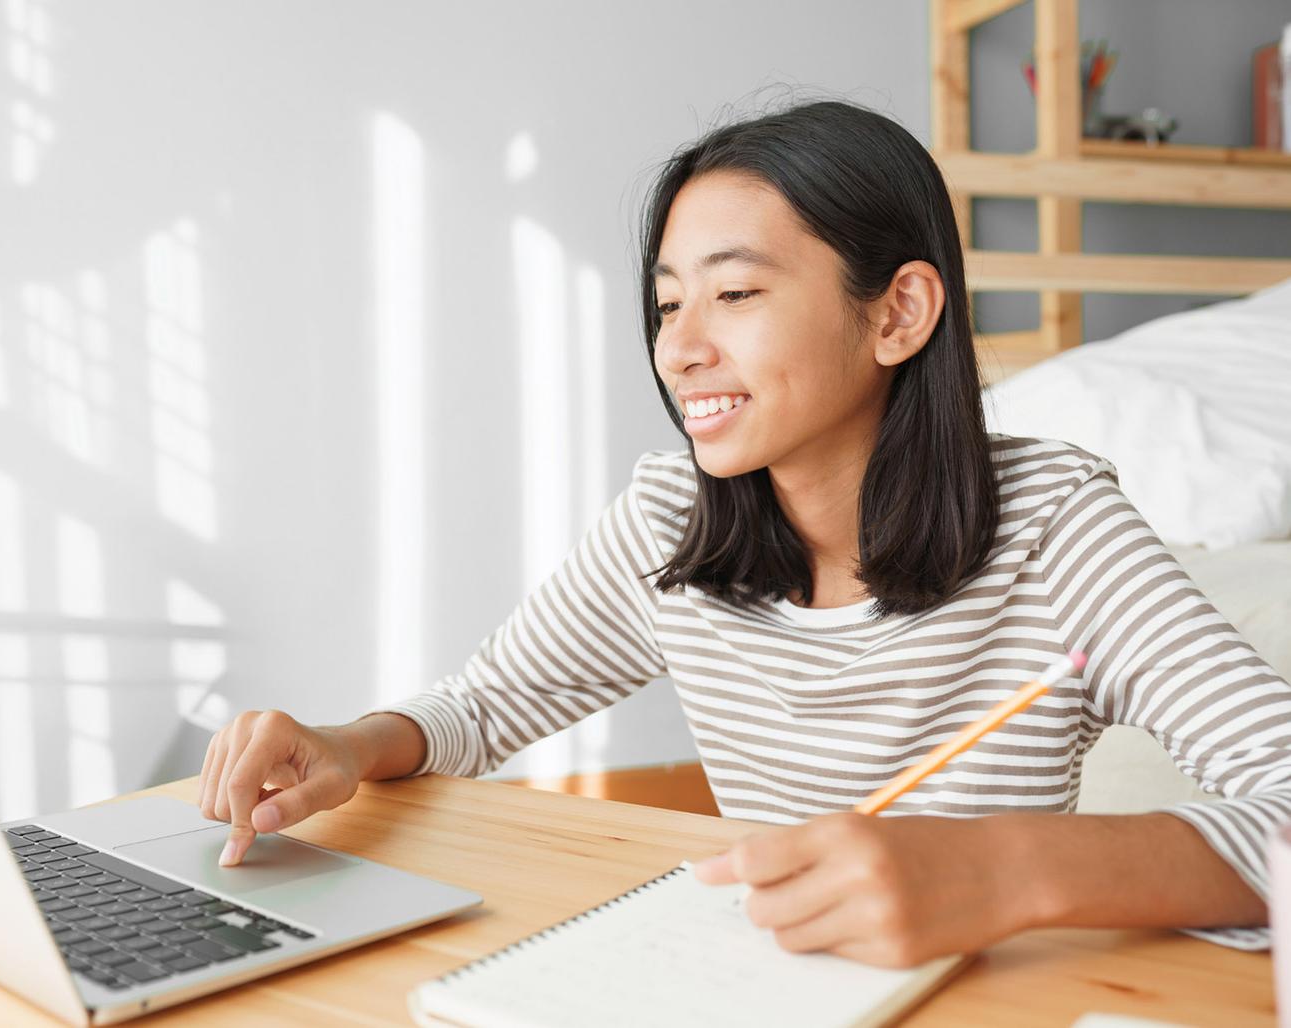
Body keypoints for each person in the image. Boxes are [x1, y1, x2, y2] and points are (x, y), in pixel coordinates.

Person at [196, 99, 1291, 968]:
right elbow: (483, 705)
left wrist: (1002, 867)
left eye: (733, 291)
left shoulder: (1057, 528)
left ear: (897, 313)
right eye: (668, 304)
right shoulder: (671, 520)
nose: (680, 348)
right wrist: (347, 745)